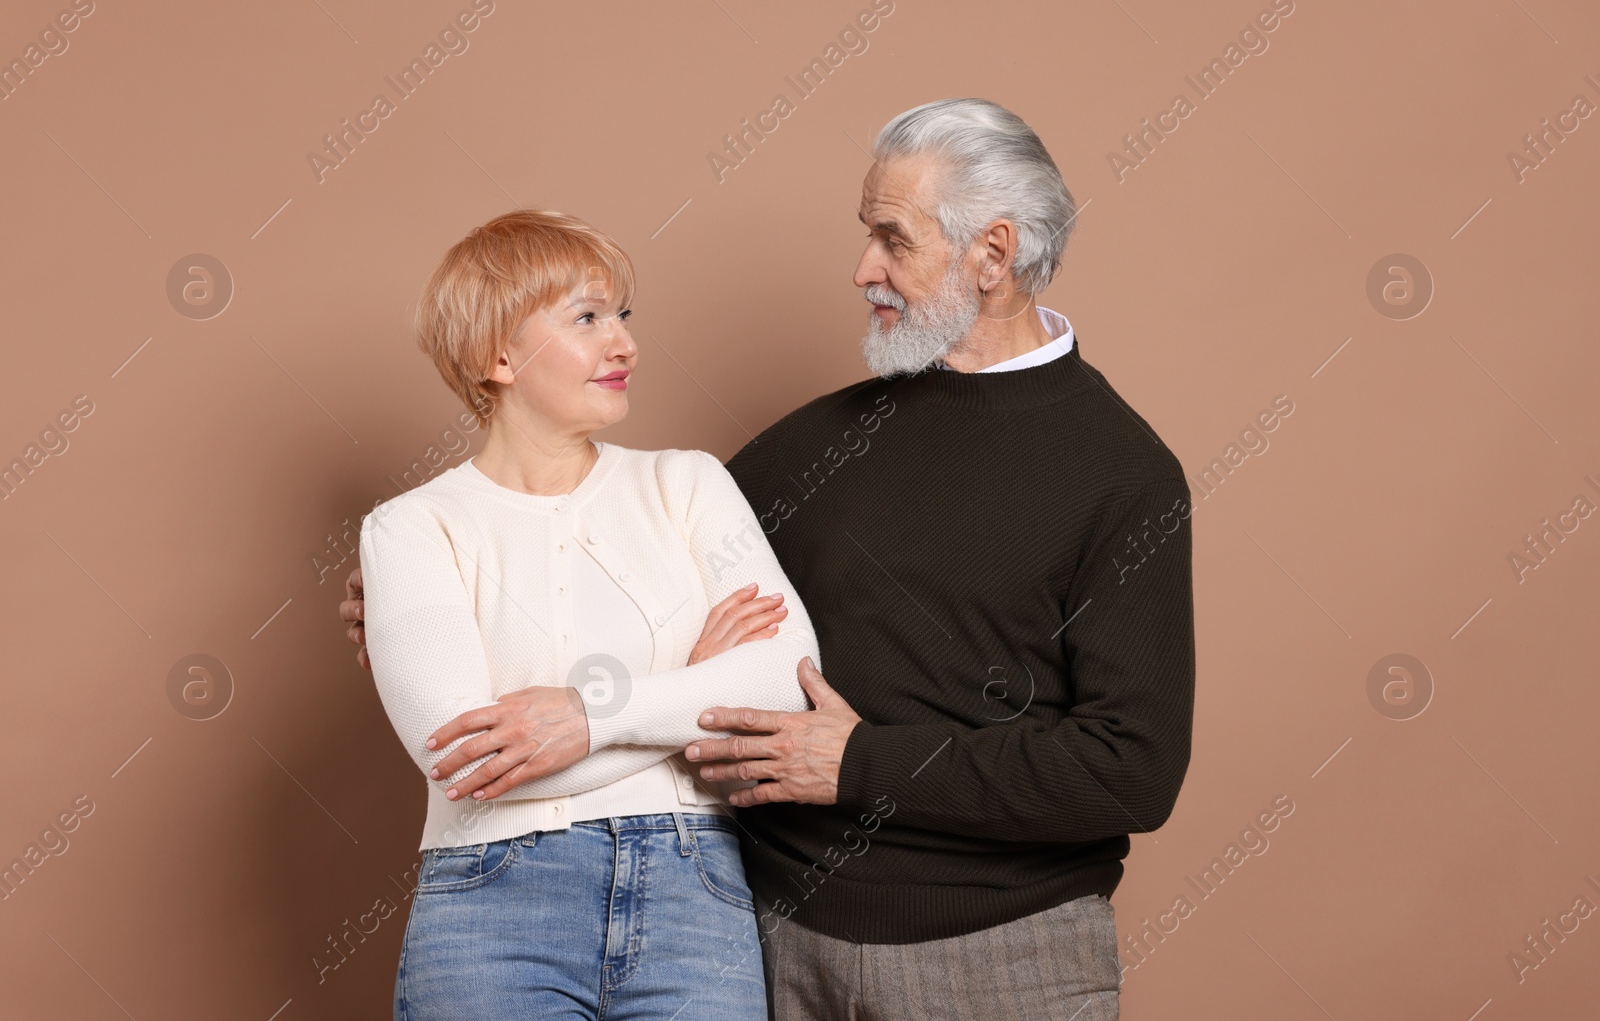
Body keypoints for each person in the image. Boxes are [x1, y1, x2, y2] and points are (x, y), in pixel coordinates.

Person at [345, 98, 1195, 1021]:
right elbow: (601, 557)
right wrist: (410, 595)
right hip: (773, 944)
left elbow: (1130, 769)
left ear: (991, 255)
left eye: (891, 239)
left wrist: (862, 764)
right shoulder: (805, 450)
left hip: (1000, 954)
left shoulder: (1120, 472)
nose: (862, 268)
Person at [356, 208, 825, 1020]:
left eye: (622, 315)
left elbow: (785, 679)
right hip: (491, 899)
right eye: (586, 318)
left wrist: (588, 715)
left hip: (696, 896)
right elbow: (467, 763)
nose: (625, 344)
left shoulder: (688, 483)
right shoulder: (412, 527)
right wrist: (687, 695)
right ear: (494, 354)